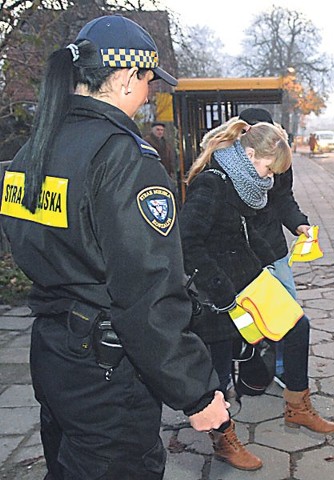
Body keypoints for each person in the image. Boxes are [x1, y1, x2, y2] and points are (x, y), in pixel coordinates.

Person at [0, 15, 229, 479]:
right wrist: (197, 392)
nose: (149, 96)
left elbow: (26, 241)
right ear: (126, 77)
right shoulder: (123, 157)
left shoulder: (35, 150)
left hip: (52, 352)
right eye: (148, 82)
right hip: (108, 370)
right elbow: (146, 292)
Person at [180, 117, 334, 471]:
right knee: (219, 370)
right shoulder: (213, 182)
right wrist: (222, 294)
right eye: (269, 168)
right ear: (249, 153)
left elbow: (249, 229)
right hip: (217, 289)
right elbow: (187, 242)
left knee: (297, 326)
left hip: (249, 277)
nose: (270, 177)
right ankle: (224, 440)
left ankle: (297, 407)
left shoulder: (248, 180)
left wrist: (273, 258)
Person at [238, 108, 312, 387]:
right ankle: (251, 366)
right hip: (242, 252)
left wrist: (299, 225)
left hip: (273, 249)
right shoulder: (229, 165)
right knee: (247, 315)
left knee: (288, 311)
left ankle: (282, 366)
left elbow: (284, 199)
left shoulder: (280, 158)